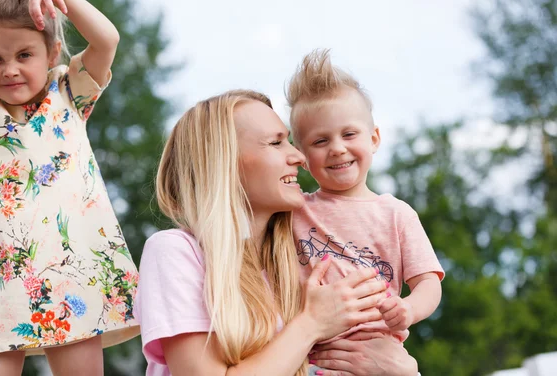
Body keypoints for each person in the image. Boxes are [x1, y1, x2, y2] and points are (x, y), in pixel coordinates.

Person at [134, 89, 415, 376]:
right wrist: (311, 323)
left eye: (290, 142)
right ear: (224, 162)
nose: (298, 156)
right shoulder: (175, 251)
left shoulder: (300, 258)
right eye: (276, 143)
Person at [0, 0, 139, 374]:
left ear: (52, 50)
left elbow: (107, 40)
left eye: (25, 54)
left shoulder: (69, 91)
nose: (10, 70)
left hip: (70, 276)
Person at [286, 49, 444, 375]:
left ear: (374, 138)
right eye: (320, 141)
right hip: (310, 358)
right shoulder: (294, 210)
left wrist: (408, 309)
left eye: (348, 134)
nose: (337, 148)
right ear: (302, 156)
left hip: (377, 354)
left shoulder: (396, 214)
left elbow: (429, 282)